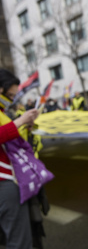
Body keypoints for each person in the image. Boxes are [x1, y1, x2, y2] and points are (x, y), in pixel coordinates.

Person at [0, 68, 39, 249]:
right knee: (19, 242)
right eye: (9, 95)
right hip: (5, 182)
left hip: (14, 178)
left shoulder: (3, 113)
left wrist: (25, 127)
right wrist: (20, 121)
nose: (10, 100)